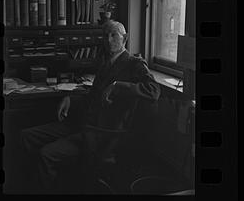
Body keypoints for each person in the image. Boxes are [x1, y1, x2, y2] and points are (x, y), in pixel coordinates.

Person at [21, 20, 161, 194]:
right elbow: (93, 97)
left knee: (46, 154)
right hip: (82, 123)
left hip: (99, 134)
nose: (108, 40)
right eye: (105, 35)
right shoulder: (105, 63)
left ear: (125, 39)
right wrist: (70, 98)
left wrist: (119, 85)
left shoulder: (134, 63)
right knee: (26, 136)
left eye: (113, 35)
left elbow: (154, 90)